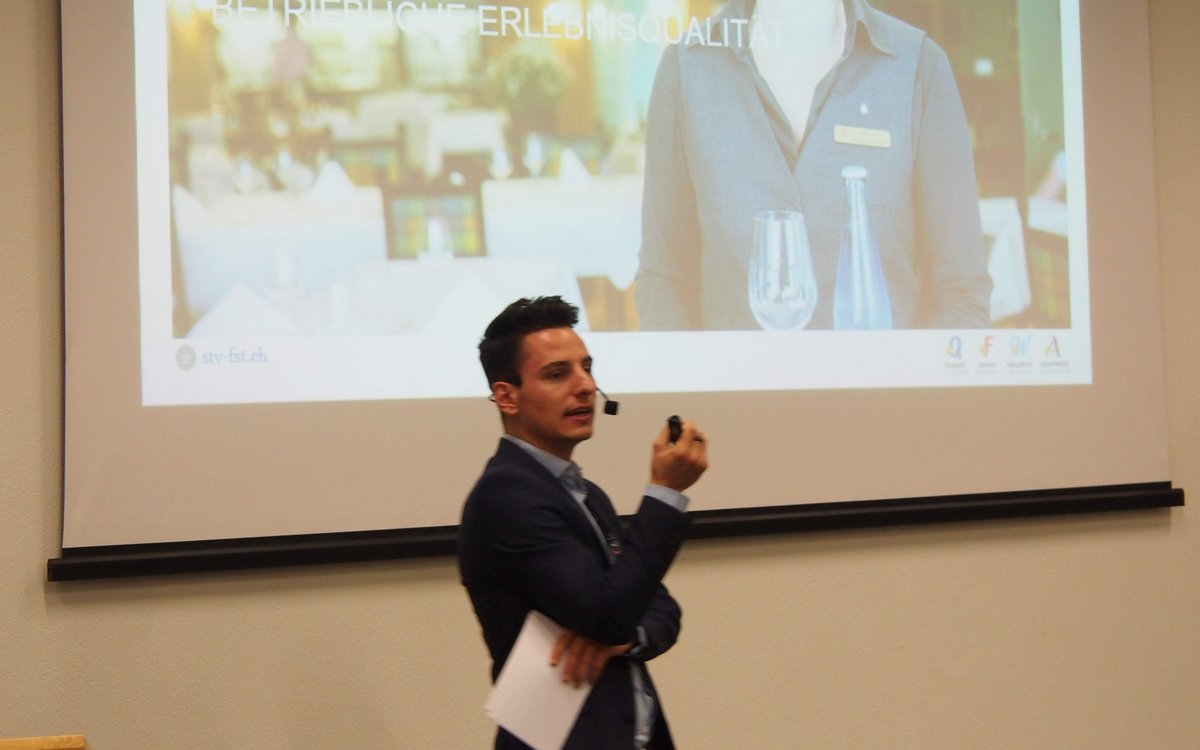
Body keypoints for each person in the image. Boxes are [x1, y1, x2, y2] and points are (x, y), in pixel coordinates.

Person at [635, 0, 993, 330]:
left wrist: (903, 379)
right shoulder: (686, 69)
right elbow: (664, 283)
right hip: (732, 379)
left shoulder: (918, 66)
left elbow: (960, 292)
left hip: (884, 379)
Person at [458, 296, 709, 749]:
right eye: (558, 374)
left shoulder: (587, 495)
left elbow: (662, 610)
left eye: (587, 368)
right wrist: (665, 493)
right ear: (507, 396)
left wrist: (624, 638)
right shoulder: (506, 497)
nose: (586, 386)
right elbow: (607, 612)